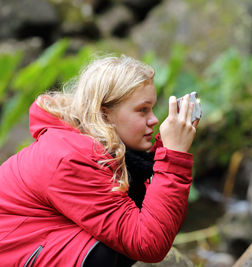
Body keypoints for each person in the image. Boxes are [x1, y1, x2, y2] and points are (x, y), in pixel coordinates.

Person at [0, 55, 199, 266]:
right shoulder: (69, 156)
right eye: (142, 110)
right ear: (105, 115)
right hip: (13, 254)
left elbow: (154, 218)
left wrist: (162, 152)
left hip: (41, 240)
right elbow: (148, 243)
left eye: (152, 109)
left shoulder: (100, 147)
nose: (154, 120)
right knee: (101, 252)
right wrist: (173, 157)